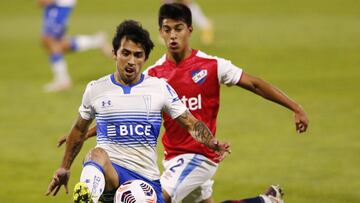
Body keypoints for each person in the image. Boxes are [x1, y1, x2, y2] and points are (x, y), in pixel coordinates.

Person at [58, 3, 308, 203]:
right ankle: (265, 201)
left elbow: (253, 83)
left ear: (190, 29)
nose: (173, 35)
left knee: (149, 199)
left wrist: (295, 106)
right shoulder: (154, 74)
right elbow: (124, 113)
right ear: (161, 32)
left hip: (200, 155)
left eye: (178, 28)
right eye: (167, 29)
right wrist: (85, 134)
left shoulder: (212, 65)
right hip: (172, 157)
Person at [45, 20, 230, 203]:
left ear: (145, 58)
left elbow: (190, 123)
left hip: (146, 184)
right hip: (112, 175)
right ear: (114, 54)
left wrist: (212, 142)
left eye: (138, 55)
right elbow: (79, 129)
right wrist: (64, 167)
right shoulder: (96, 89)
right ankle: (85, 199)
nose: (131, 61)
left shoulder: (159, 88)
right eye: (125, 53)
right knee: (96, 155)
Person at [38, 0, 111, 92]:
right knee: (54, 43)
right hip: (55, 6)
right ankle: (96, 41)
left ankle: (63, 81)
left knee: (51, 41)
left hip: (60, 5)